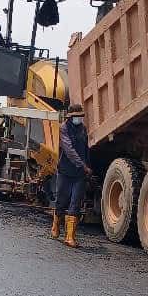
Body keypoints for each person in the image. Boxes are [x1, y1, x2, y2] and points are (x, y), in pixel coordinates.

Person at [53, 104, 91, 248]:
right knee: (61, 201)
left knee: (75, 203)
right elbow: (68, 149)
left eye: (81, 116)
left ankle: (69, 237)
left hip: (80, 174)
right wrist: (83, 165)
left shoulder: (83, 129)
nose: (79, 119)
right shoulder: (64, 128)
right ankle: (56, 224)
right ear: (71, 117)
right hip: (66, 171)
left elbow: (86, 149)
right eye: (77, 116)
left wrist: (87, 165)